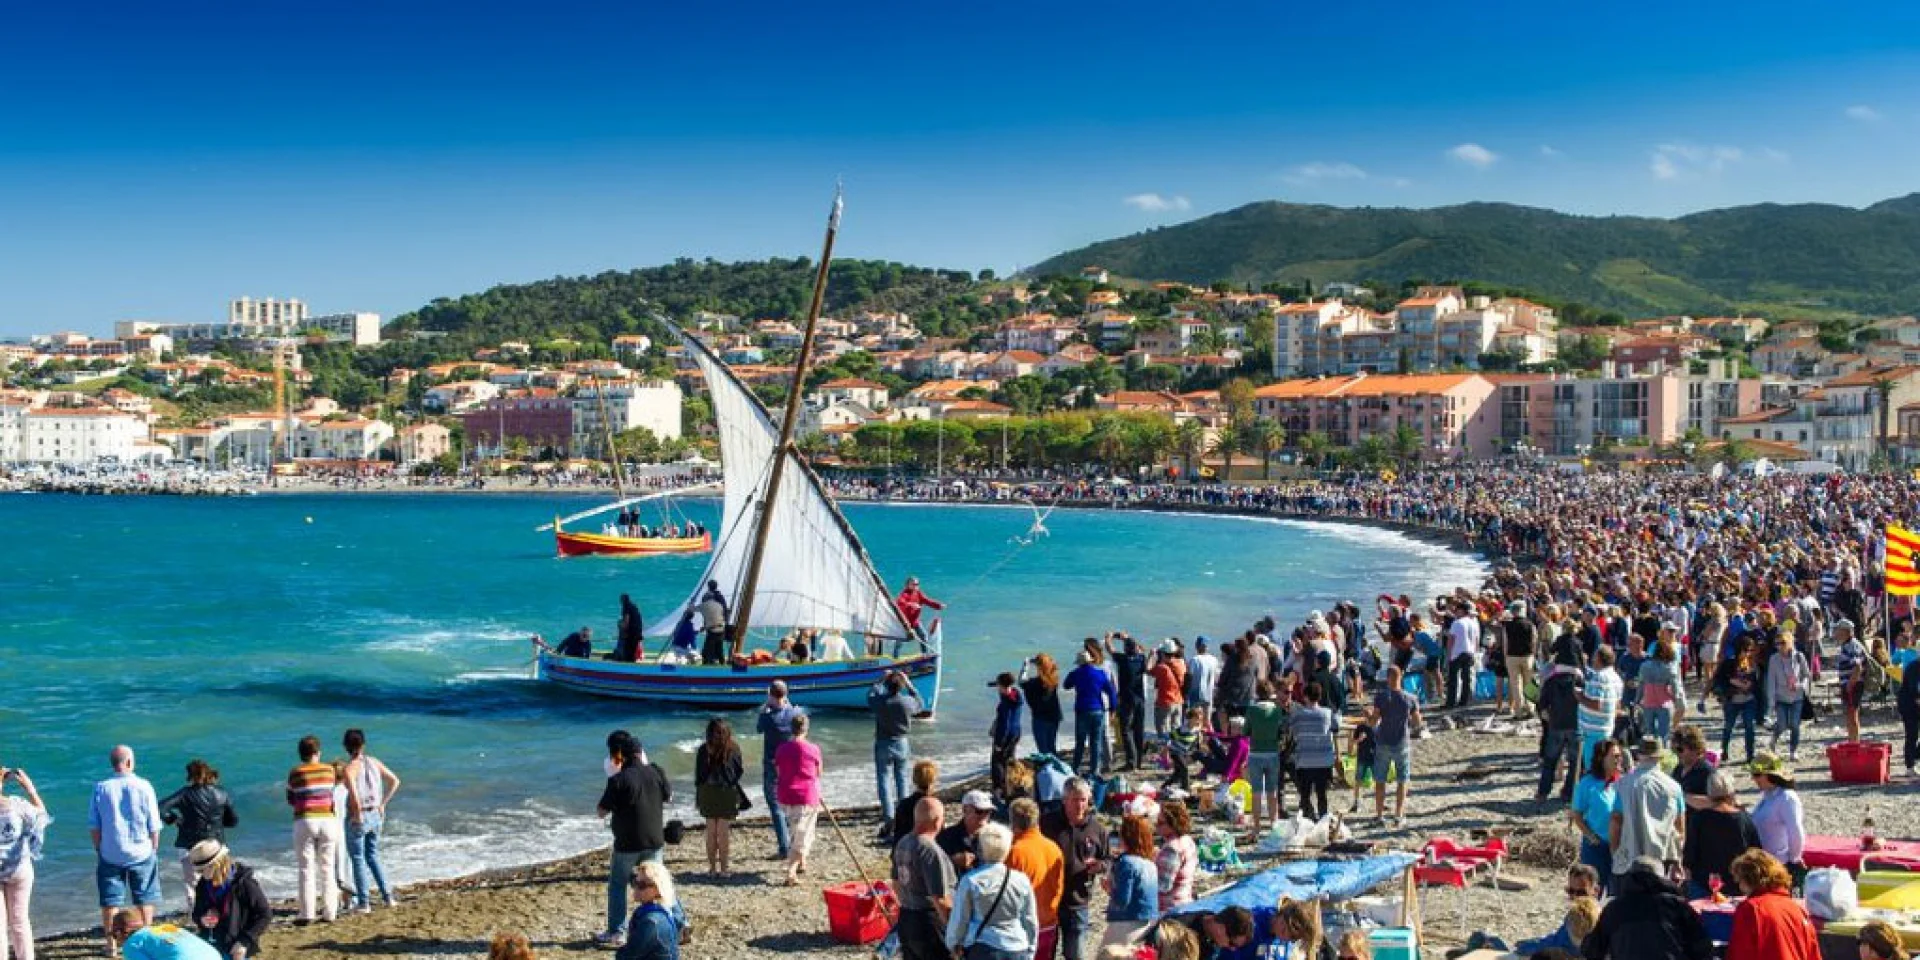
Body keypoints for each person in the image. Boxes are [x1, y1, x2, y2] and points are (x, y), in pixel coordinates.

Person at [595, 730, 672, 947]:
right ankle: (675, 922)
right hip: (655, 838)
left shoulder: (619, 780)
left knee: (618, 884)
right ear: (641, 753)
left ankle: (617, 932)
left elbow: (601, 811)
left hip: (628, 842)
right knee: (659, 883)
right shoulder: (656, 771)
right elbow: (669, 796)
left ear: (623, 757)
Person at [91, 745, 163, 936]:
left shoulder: (101, 788)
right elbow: (154, 824)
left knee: (110, 900)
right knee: (145, 897)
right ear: (129, 762)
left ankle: (111, 943)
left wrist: (99, 848)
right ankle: (146, 936)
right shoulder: (145, 786)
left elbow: (94, 825)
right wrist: (154, 847)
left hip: (111, 851)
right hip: (141, 851)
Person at [1580, 856, 1713, 960]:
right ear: (1663, 879)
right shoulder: (1678, 906)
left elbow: (1592, 951)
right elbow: (1703, 949)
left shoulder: (1614, 909)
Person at [945, 823, 1039, 960]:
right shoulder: (1021, 880)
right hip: (1017, 946)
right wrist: (1031, 948)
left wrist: (953, 944)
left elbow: (960, 918)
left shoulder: (971, 881)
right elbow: (1030, 919)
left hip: (984, 946)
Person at [1041, 778, 1109, 960]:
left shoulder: (1097, 829)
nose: (1080, 805)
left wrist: (1099, 866)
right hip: (1048, 900)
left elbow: (1107, 859)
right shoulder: (1047, 824)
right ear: (1064, 800)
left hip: (1078, 900)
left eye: (1083, 800)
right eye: (1074, 800)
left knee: (1076, 954)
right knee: (1044, 953)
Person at [159, 761, 236, 912]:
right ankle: (222, 914)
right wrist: (219, 823)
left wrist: (173, 819)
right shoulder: (222, 793)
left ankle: (198, 918)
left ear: (190, 776)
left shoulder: (185, 794)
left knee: (192, 886)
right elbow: (233, 820)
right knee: (220, 881)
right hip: (216, 845)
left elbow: (161, 807)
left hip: (190, 845)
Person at [341, 729, 401, 913]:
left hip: (360, 815)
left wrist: (357, 813)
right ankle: (387, 896)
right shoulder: (373, 762)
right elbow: (395, 781)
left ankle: (364, 902)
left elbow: (353, 794)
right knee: (373, 856)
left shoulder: (350, 768)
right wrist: (383, 803)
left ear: (346, 747)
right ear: (363, 744)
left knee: (358, 859)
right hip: (375, 813)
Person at [1611, 738, 1683, 883]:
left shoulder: (1623, 785)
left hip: (1631, 854)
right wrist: (1678, 860)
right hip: (1663, 857)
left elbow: (1616, 821)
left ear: (1638, 755)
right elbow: (1680, 827)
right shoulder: (1674, 786)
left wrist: (1615, 852)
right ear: (1660, 757)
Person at [893, 797, 957, 960]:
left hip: (907, 916)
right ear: (937, 821)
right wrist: (955, 932)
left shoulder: (903, 842)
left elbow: (896, 883)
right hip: (929, 923)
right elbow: (940, 898)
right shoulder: (929, 851)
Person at [1681, 770, 1761, 899]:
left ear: (1709, 793)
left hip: (1704, 884)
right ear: (1731, 793)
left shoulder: (1699, 819)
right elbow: (1755, 854)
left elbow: (1689, 856)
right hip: (1738, 885)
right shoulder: (1744, 819)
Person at [1726, 850, 1819, 960]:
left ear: (1748, 880)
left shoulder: (1750, 909)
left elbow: (1740, 954)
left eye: (1739, 881)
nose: (1740, 887)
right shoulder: (1798, 909)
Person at [186, 840, 269, 960]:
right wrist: (203, 918)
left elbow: (265, 915)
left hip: (237, 945)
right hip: (212, 941)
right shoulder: (203, 884)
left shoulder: (244, 884)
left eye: (202, 869)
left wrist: (244, 941)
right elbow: (196, 914)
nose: (200, 874)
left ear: (216, 864)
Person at [1004, 798, 1064, 959]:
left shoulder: (1014, 852)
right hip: (1049, 923)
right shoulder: (1053, 848)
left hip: (1023, 928)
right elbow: (1059, 886)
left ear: (1013, 822)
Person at [869, 669, 924, 841]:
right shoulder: (905, 702)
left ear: (887, 685)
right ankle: (903, 815)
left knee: (884, 781)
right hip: (901, 741)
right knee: (902, 779)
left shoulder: (880, 701)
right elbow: (920, 703)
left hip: (883, 742)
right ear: (900, 687)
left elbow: (870, 693)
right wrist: (908, 684)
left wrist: (881, 679)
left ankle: (889, 818)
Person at [1, 763, 48, 960]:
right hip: (19, 868)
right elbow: (42, 816)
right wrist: (30, 789)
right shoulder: (17, 805)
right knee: (20, 922)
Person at [774, 713, 824, 886]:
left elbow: (779, 773)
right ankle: (791, 871)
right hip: (806, 795)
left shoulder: (782, 749)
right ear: (806, 729)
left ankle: (802, 862)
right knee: (803, 834)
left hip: (786, 795)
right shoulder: (813, 749)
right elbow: (818, 773)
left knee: (797, 830)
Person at [755, 682, 803, 860]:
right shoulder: (794, 713)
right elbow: (797, 719)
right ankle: (794, 843)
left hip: (772, 763)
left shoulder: (768, 718)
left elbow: (759, 728)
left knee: (775, 805)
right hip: (791, 763)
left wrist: (764, 708)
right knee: (792, 804)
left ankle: (784, 846)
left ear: (771, 695)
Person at [1368, 666, 1419, 825]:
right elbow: (1418, 721)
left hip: (1383, 741)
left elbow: (1374, 721)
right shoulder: (1410, 698)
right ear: (1401, 677)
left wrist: (1368, 715)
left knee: (1380, 780)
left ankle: (1379, 815)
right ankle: (1398, 815)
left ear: (1388, 678)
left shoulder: (1381, 697)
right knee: (1402, 780)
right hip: (1401, 742)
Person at [694, 718, 746, 875]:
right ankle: (724, 869)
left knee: (711, 832)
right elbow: (739, 771)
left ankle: (711, 869)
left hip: (707, 791)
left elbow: (699, 775)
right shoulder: (733, 748)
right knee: (723, 832)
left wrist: (699, 795)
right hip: (726, 791)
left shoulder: (704, 749)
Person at [1748, 754, 1806, 887]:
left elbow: (1796, 831)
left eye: (1757, 775)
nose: (1753, 779)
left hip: (1780, 864)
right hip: (1764, 863)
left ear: (1770, 775)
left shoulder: (1787, 798)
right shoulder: (1767, 796)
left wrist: (1794, 859)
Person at [1571, 739, 1620, 895]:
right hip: (1596, 846)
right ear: (1602, 758)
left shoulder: (1622, 783)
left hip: (1619, 845)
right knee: (1592, 890)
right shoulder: (1587, 784)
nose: (1619, 759)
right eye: (1614, 756)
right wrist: (1591, 836)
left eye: (1619, 756)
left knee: (1615, 891)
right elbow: (1577, 815)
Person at [1101, 815, 1158, 948]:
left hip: (1126, 923)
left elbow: (1122, 900)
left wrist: (1108, 888)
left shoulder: (1127, 862)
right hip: (1148, 922)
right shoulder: (1150, 863)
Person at [1536, 648, 1585, 802]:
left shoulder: (1551, 681)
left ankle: (1543, 793)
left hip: (1556, 725)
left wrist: (1548, 717)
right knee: (1574, 762)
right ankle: (1568, 792)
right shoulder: (1580, 681)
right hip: (1575, 724)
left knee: (1550, 761)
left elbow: (1541, 704)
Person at [1290, 682, 1339, 822]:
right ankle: (1323, 819)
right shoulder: (1328, 713)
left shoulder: (1298, 715)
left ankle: (1307, 819)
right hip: (1324, 760)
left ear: (1305, 697)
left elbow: (1292, 730)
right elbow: (1336, 728)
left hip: (1304, 760)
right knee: (1322, 794)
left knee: (1305, 794)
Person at [614, 861, 680, 960]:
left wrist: (620, 950)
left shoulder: (651, 921)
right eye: (635, 882)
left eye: (642, 885)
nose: (636, 887)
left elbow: (628, 956)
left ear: (658, 889)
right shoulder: (663, 910)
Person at [1242, 682, 1287, 829]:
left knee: (1256, 792)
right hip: (1272, 752)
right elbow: (1282, 731)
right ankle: (1274, 823)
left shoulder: (1252, 710)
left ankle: (1256, 826)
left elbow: (1245, 731)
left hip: (1255, 753)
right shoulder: (1277, 710)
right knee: (1272, 791)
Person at [1063, 652, 1116, 776]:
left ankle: (1075, 767)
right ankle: (1094, 770)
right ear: (1091, 661)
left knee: (1080, 741)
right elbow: (1111, 692)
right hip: (1098, 710)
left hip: (1082, 710)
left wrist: (1073, 677)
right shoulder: (1100, 673)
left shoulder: (1076, 674)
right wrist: (1113, 708)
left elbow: (1066, 685)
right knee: (1096, 742)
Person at [1105, 634, 1150, 770]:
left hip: (1127, 699)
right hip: (1140, 699)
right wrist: (1126, 637)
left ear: (1125, 649)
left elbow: (1109, 649)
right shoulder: (1141, 659)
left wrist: (1109, 637)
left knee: (1126, 730)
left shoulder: (1123, 659)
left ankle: (1131, 761)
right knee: (1138, 730)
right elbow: (1142, 649)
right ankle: (1138, 762)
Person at [1577, 647, 1622, 778]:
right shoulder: (1616, 677)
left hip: (1593, 730)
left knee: (1593, 768)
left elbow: (1596, 704)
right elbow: (1617, 705)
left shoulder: (1599, 677)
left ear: (1599, 659)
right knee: (1605, 767)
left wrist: (1578, 695)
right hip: (1606, 728)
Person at [109, 909, 221, 960]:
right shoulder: (166, 928)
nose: (117, 941)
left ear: (120, 932)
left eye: (115, 936)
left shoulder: (132, 943)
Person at [1154, 800, 1198, 913]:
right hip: (1185, 901)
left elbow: (1163, 886)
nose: (1156, 825)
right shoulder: (1188, 841)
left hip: (1169, 909)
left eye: (1160, 822)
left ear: (1173, 824)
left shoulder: (1171, 849)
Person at [1020, 655, 1065, 758]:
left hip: (1040, 718)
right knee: (1051, 746)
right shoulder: (1054, 680)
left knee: (1043, 749)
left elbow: (1021, 681)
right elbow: (1051, 668)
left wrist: (1026, 665)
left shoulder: (1035, 683)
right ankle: (1056, 768)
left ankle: (1049, 770)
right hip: (1054, 716)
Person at [1638, 639, 1683, 742]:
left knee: (1648, 733)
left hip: (1648, 701)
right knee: (1664, 734)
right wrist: (1676, 700)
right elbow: (1675, 687)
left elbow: (1641, 685)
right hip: (1664, 703)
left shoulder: (1644, 666)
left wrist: (1637, 700)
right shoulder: (1669, 668)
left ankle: (1650, 754)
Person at [989, 672, 1025, 798]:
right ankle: (1011, 785)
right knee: (1009, 760)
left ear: (1003, 686)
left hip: (1006, 734)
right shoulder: (1016, 695)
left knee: (997, 761)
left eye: (998, 685)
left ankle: (999, 789)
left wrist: (999, 742)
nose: (997, 689)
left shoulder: (1007, 703)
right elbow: (1007, 687)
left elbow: (1005, 724)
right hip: (1016, 732)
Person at [947, 791, 998, 874]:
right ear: (965, 810)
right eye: (979, 811)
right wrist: (953, 861)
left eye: (988, 811)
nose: (984, 815)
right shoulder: (948, 837)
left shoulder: (996, 835)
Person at [1269, 899, 1335, 960]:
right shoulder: (1260, 919)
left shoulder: (1287, 947)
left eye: (1292, 936)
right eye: (1284, 927)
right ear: (1280, 915)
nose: (1286, 934)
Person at [893, 760, 941, 843]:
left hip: (905, 847)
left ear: (914, 780)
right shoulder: (935, 805)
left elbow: (898, 835)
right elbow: (940, 835)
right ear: (933, 780)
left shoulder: (903, 804)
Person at [1505, 600, 1538, 720]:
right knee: (1529, 683)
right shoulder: (1530, 624)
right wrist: (1534, 655)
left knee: (1516, 684)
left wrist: (1506, 657)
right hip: (1527, 656)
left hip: (1512, 656)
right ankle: (1531, 708)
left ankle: (1518, 711)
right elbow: (1534, 641)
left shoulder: (1507, 625)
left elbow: (1506, 643)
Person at [1150, 642, 1188, 737]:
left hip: (1165, 702)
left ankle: (1165, 751)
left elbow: (1148, 670)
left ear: (1163, 653)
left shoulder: (1162, 667)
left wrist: (1151, 656)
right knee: (1176, 730)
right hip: (1178, 701)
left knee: (1163, 731)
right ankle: (1175, 751)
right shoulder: (1180, 663)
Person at [896, 576, 945, 647]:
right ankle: (895, 657)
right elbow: (899, 602)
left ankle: (924, 654)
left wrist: (938, 606)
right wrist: (911, 604)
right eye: (913, 584)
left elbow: (927, 601)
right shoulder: (904, 594)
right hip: (904, 623)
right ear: (907, 585)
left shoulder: (918, 593)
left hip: (915, 622)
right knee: (900, 641)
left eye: (917, 584)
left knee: (923, 636)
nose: (915, 586)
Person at [1187, 638, 1220, 724]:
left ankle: (1196, 735)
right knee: (1207, 720)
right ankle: (1207, 736)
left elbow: (1189, 676)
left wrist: (1186, 692)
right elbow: (1216, 676)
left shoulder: (1195, 659)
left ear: (1196, 646)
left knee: (1194, 719)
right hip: (1209, 694)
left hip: (1196, 694)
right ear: (1207, 647)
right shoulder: (1214, 659)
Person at [698, 581, 730, 664]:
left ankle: (709, 663)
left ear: (708, 586)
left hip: (713, 627)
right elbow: (724, 611)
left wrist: (705, 626)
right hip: (721, 626)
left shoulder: (709, 597)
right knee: (718, 646)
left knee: (709, 648)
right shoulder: (720, 597)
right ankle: (720, 662)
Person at [1901, 644, 1920, 777]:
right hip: (1908, 704)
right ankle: (1910, 766)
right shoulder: (1914, 667)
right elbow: (1915, 691)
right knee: (1912, 734)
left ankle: (1916, 755)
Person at [613, 594, 645, 663]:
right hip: (638, 631)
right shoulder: (634, 606)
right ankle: (632, 661)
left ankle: (628, 663)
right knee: (633, 650)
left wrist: (620, 625)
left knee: (629, 651)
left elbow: (626, 621)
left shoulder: (626, 607)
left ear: (622, 600)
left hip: (632, 633)